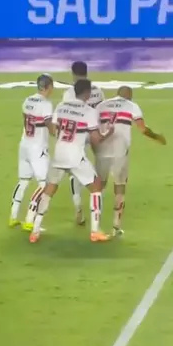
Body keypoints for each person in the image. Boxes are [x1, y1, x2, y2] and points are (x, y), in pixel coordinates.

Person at [29, 79, 114, 243]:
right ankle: (95, 231)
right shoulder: (89, 111)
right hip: (75, 156)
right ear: (87, 93)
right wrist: (108, 133)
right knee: (96, 186)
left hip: (59, 153)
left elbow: (53, 130)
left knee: (49, 190)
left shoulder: (61, 106)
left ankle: (35, 231)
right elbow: (96, 139)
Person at [95, 86, 166, 236]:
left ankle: (96, 226)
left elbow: (92, 126)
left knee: (99, 187)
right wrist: (157, 137)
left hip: (102, 150)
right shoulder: (132, 106)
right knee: (120, 186)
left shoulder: (102, 105)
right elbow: (142, 128)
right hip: (120, 152)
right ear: (130, 96)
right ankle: (116, 226)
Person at [9, 74, 56, 229]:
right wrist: (57, 133)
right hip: (38, 148)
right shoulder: (46, 104)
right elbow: (48, 123)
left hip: (24, 144)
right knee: (44, 184)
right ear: (49, 87)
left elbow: (25, 118)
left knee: (23, 180)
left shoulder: (27, 100)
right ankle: (29, 219)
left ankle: (13, 216)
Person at [62, 61, 105, 226]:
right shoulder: (98, 91)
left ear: (73, 74)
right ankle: (97, 198)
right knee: (98, 166)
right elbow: (102, 112)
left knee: (75, 169)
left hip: (78, 133)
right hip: (95, 131)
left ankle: (78, 206)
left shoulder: (69, 93)